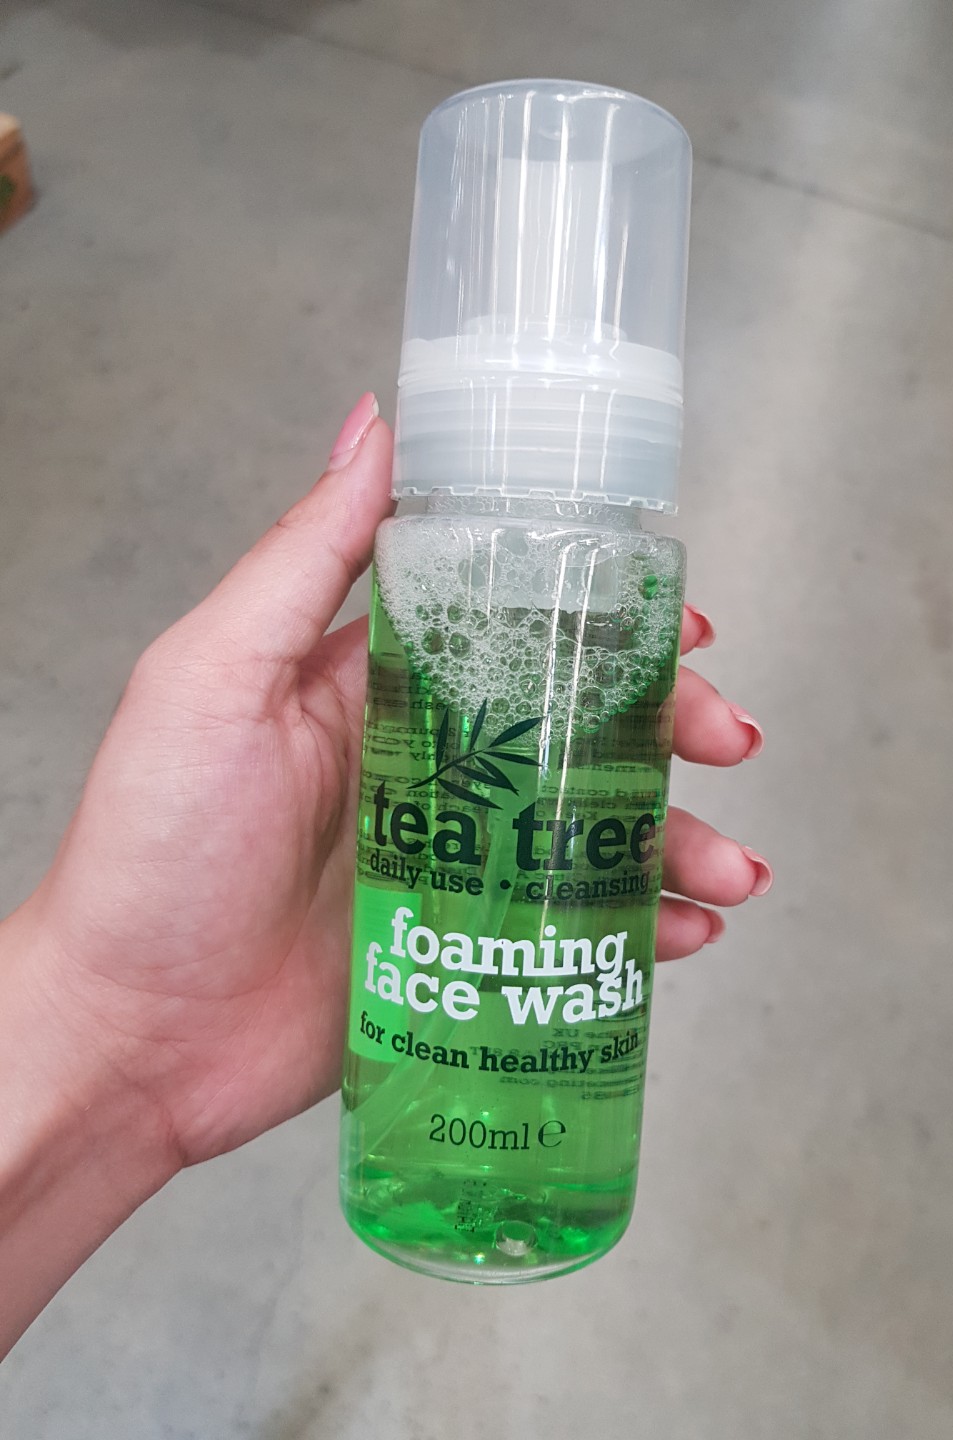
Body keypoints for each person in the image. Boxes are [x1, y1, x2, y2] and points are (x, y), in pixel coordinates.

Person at [0, 394, 772, 1357]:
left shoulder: (631, 571)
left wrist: (101, 1047)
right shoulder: (427, 558)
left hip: (554, 1114)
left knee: (587, 847)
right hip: (397, 1023)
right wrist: (107, 1017)